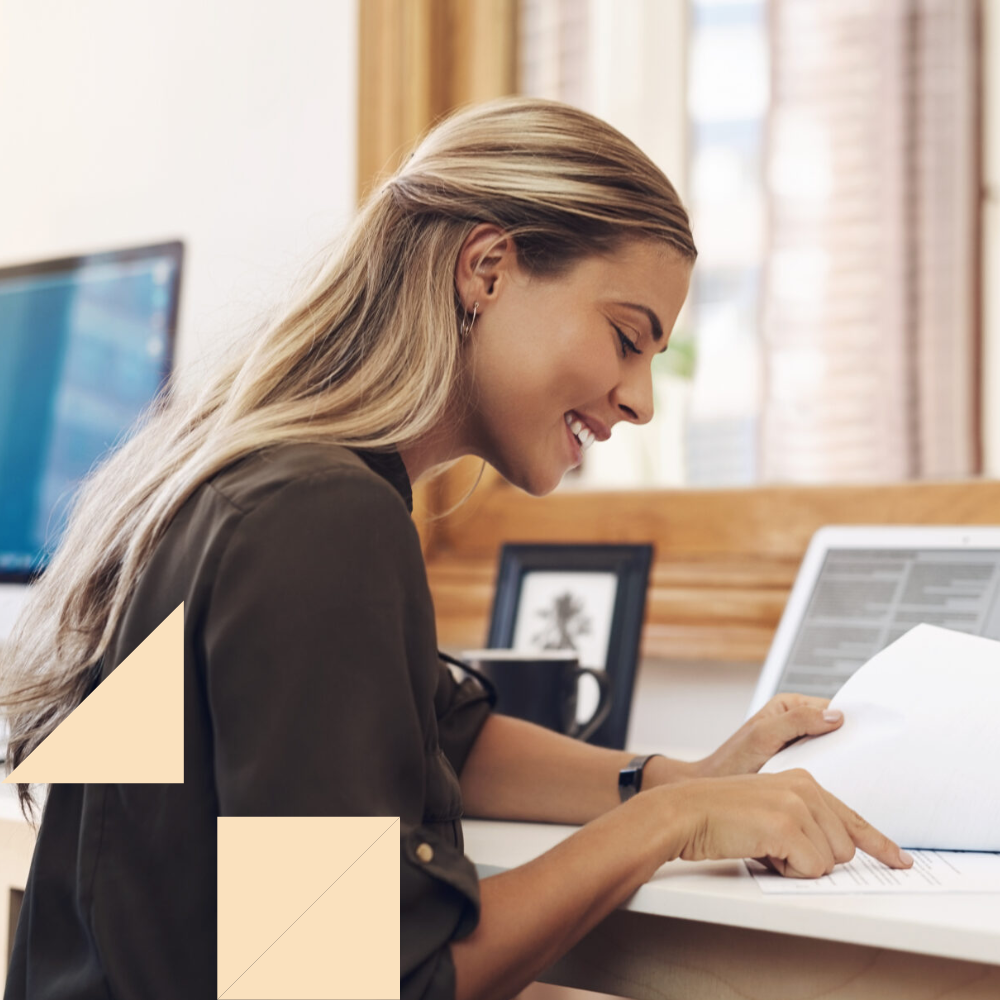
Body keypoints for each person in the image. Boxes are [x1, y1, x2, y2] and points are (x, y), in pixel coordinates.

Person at [0, 97, 911, 1000]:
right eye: (626, 337)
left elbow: (435, 733)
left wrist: (676, 778)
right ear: (487, 270)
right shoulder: (317, 518)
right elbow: (361, 980)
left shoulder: (268, 486)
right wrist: (669, 824)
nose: (641, 399)